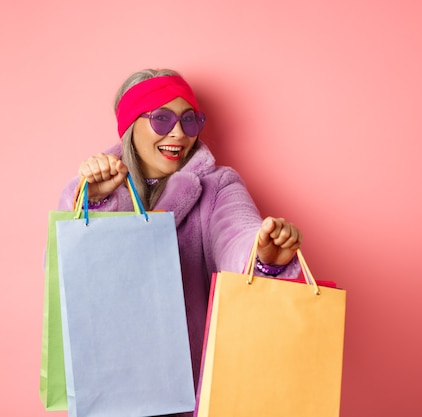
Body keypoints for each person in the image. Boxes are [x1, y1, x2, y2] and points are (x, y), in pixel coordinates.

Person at [57, 68, 303, 416]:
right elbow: (67, 272)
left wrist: (263, 254)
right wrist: (93, 202)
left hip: (191, 386)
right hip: (110, 382)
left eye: (189, 121)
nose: (178, 133)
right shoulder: (95, 185)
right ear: (131, 125)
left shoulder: (218, 185)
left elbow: (236, 233)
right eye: (161, 119)